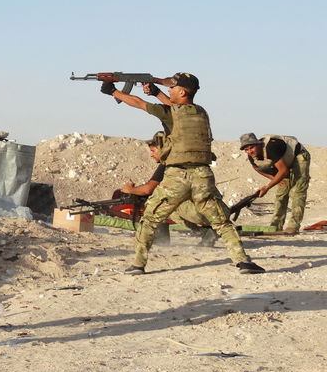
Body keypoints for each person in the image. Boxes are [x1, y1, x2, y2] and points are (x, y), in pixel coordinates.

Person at [100, 73, 264, 275]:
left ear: (182, 91)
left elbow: (138, 103)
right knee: (221, 221)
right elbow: (175, 110)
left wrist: (113, 91)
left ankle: (138, 264)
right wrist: (157, 92)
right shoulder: (201, 113)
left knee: (151, 218)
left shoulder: (171, 112)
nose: (169, 90)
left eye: (172, 88)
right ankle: (243, 261)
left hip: (177, 175)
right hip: (203, 176)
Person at [120, 131, 217, 247]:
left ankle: (162, 238)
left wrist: (129, 190)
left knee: (163, 203)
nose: (151, 155)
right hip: (212, 210)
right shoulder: (183, 160)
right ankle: (206, 233)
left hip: (202, 211)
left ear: (163, 148)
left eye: (153, 150)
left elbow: (148, 189)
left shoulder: (170, 163)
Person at [239, 132, 310, 233]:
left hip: (298, 155)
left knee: (297, 191)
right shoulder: (252, 156)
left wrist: (267, 187)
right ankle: (276, 225)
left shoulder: (271, 147)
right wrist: (273, 179)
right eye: (246, 149)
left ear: (258, 145)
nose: (249, 151)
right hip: (284, 162)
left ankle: (293, 226)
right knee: (281, 193)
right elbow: (257, 168)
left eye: (251, 147)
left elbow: (283, 170)